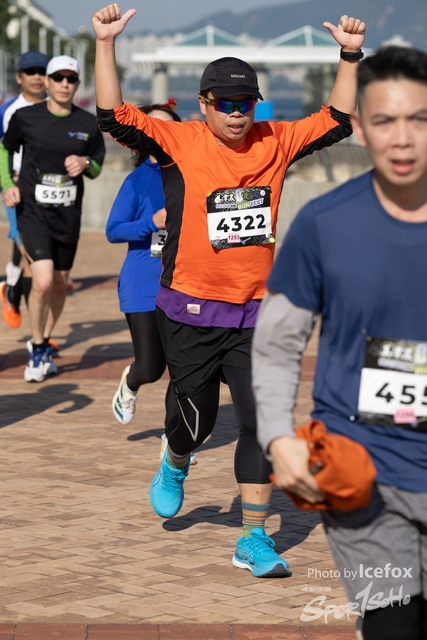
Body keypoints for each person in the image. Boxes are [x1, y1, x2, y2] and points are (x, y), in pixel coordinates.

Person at [92, 3, 365, 578]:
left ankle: (252, 538)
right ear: (204, 104)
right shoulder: (181, 141)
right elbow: (113, 117)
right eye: (227, 104)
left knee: (262, 422)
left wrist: (349, 55)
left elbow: (338, 119)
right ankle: (175, 459)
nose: (239, 114)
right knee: (196, 423)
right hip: (189, 310)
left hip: (256, 312)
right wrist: (106, 44)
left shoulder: (275, 140)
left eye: (247, 103)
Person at [253, 46, 427, 638]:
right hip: (362, 475)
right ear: (360, 126)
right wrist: (278, 438)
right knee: (394, 627)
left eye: (418, 119)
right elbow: (278, 343)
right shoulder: (324, 224)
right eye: (384, 120)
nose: (402, 139)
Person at [3, 55, 106, 383]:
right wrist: (7, 184)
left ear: (77, 84)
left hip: (68, 216)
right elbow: (4, 149)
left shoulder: (87, 123)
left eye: (70, 79)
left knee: (60, 284)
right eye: (57, 78)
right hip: (32, 214)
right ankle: (36, 349)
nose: (64, 84)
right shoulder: (25, 117)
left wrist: (85, 163)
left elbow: (97, 165)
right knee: (43, 280)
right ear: (47, 82)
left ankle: (45, 340)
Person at [106, 100, 196, 463]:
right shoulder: (137, 180)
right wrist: (152, 222)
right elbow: (113, 230)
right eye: (151, 127)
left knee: (183, 369)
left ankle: (172, 441)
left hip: (185, 282)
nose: (160, 133)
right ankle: (131, 381)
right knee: (151, 367)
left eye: (168, 126)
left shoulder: (193, 170)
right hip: (142, 282)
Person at [0, 51, 48, 330]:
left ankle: (12, 288)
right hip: (18, 190)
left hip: (50, 191)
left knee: (39, 260)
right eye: (30, 72)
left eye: (42, 72)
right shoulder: (8, 111)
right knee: (33, 258)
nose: (37, 77)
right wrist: (7, 183)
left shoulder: (57, 107)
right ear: (19, 77)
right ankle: (37, 336)